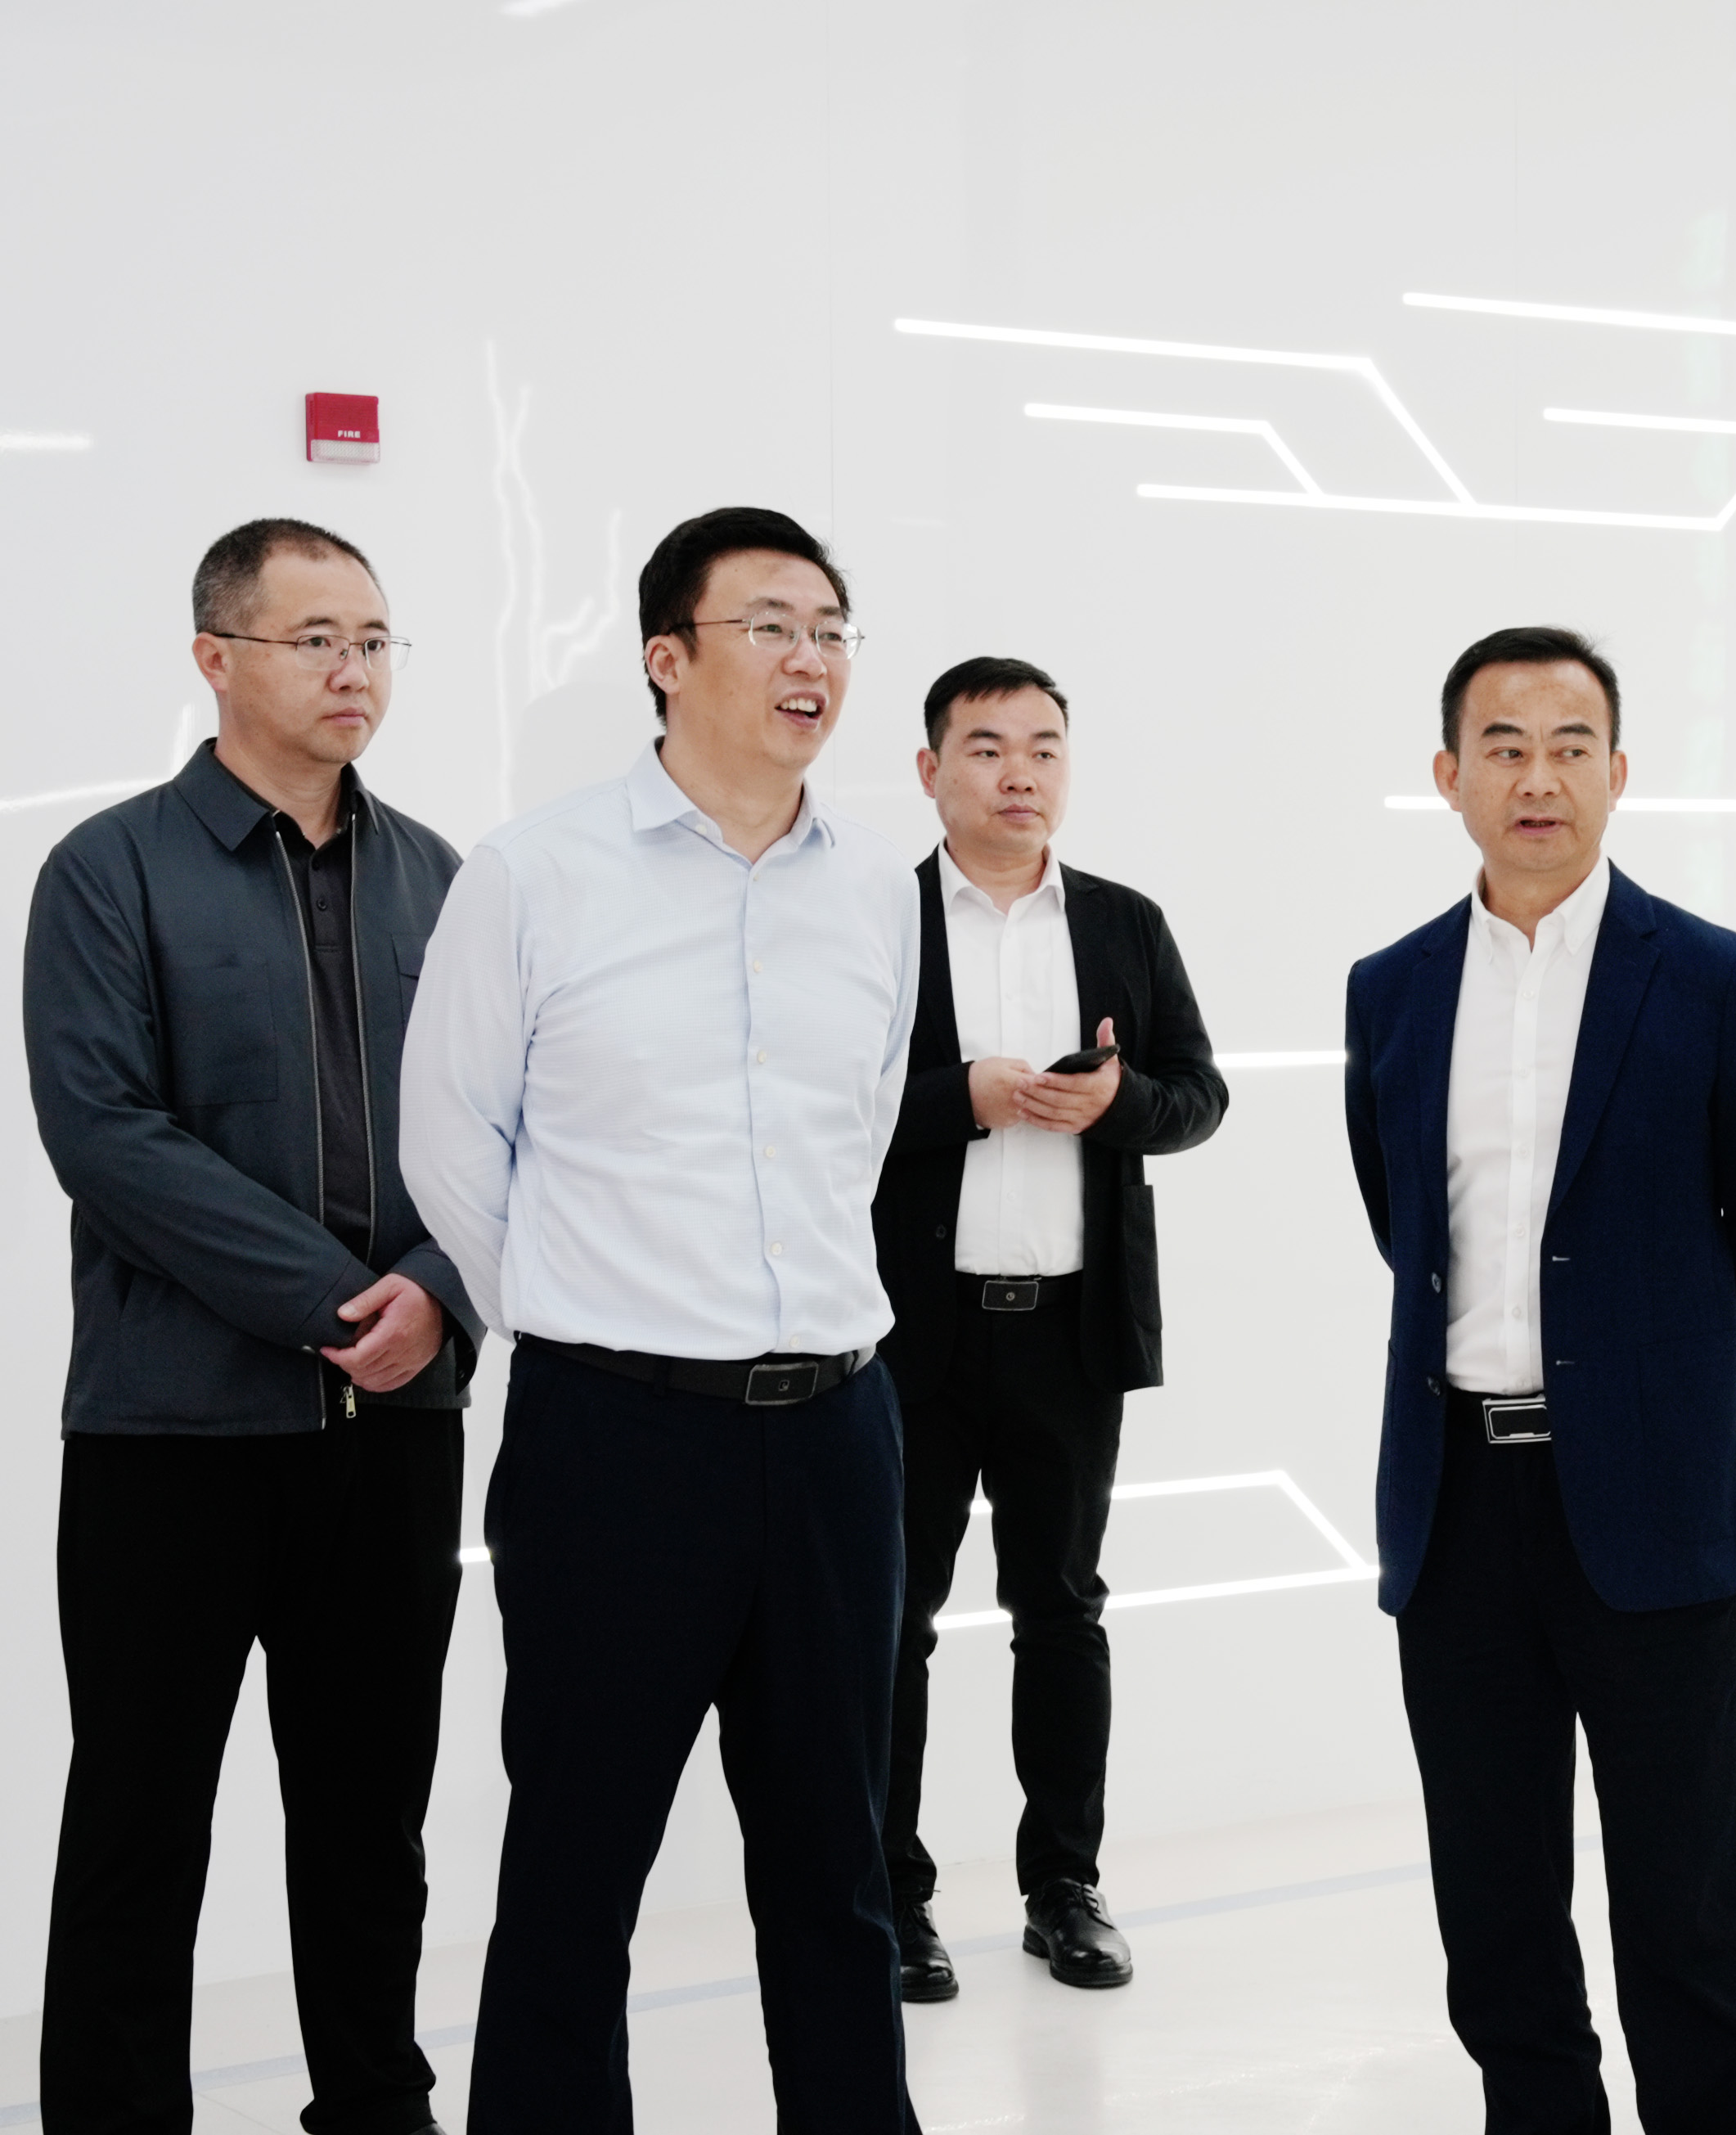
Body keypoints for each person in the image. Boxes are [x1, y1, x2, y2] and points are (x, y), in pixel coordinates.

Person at [400, 507, 923, 2135]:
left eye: (830, 628)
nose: (810, 658)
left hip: (837, 1434)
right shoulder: (534, 874)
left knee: (836, 1867)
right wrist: (594, 1319)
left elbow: (862, 1132)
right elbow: (452, 1145)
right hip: (615, 1442)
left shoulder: (878, 891)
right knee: (576, 1863)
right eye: (770, 625)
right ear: (667, 658)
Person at [27, 518, 477, 2135]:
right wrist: (343, 1303)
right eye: (315, 638)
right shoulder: (110, 871)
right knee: (141, 1821)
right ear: (216, 658)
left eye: (374, 639)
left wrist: (441, 1289)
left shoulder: (444, 880)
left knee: (372, 1822)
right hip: (173, 1435)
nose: (354, 669)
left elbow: (505, 1128)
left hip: (396, 1435)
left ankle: (375, 2106)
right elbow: (106, 1135)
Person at [1342, 625, 1736, 2135]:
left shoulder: (1715, 979)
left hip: (1651, 1498)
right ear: (1449, 774)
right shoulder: (1393, 988)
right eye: (1504, 745)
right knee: (1494, 1905)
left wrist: (1653, 1379)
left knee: (1687, 1899)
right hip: (1457, 1499)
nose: (1537, 777)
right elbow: (1403, 1222)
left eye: (1568, 747)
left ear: (1619, 773)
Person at [872, 655, 1227, 2001]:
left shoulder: (1125, 922)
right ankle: (889, 1893)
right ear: (930, 771)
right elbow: (818, 1105)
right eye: (986, 747)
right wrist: (959, 1097)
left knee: (1062, 1609)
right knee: (890, 1618)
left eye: (1042, 748)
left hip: (1070, 1333)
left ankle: (1063, 1886)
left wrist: (1119, 1103)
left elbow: (1199, 1095)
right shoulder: (878, 920)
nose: (1018, 773)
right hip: (909, 1335)